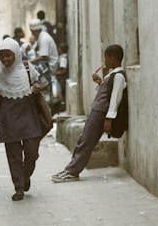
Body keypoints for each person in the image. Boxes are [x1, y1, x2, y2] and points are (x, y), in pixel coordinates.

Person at [52, 44, 127, 182]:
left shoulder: (118, 77)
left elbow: (115, 99)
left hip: (101, 113)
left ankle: (72, 171)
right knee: (83, 140)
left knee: (87, 141)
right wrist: (100, 82)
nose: (104, 61)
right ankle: (71, 168)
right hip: (96, 111)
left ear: (113, 58)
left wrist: (109, 119)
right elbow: (106, 93)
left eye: (106, 58)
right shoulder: (112, 75)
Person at [0, 38, 42, 201]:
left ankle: (25, 176)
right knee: (13, 155)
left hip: (28, 114)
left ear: (17, 55)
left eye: (8, 55)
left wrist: (37, 87)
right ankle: (18, 187)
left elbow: (37, 80)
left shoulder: (27, 67)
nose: (5, 60)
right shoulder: (0, 72)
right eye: (2, 56)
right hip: (8, 117)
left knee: (32, 152)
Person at [29, 18, 59, 94]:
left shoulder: (44, 38)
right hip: (46, 64)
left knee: (32, 74)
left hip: (50, 66)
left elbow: (44, 56)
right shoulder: (41, 36)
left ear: (35, 31)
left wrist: (30, 61)